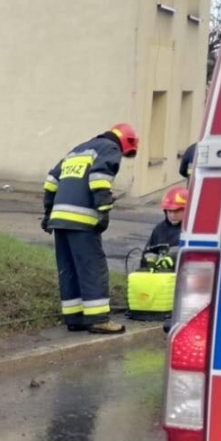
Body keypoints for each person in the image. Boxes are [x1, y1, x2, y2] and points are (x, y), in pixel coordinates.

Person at [43, 123, 139, 334]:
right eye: (126, 152)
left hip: (60, 219)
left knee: (69, 269)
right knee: (92, 267)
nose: (123, 155)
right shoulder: (109, 149)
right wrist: (103, 209)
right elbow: (99, 177)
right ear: (124, 141)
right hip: (82, 219)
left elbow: (52, 180)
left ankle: (75, 318)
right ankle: (98, 319)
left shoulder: (78, 150)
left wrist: (48, 212)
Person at [146, 185, 189, 251]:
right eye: (170, 211)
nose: (172, 215)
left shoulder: (191, 231)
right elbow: (147, 252)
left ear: (187, 210)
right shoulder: (159, 229)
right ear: (165, 211)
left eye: (177, 211)